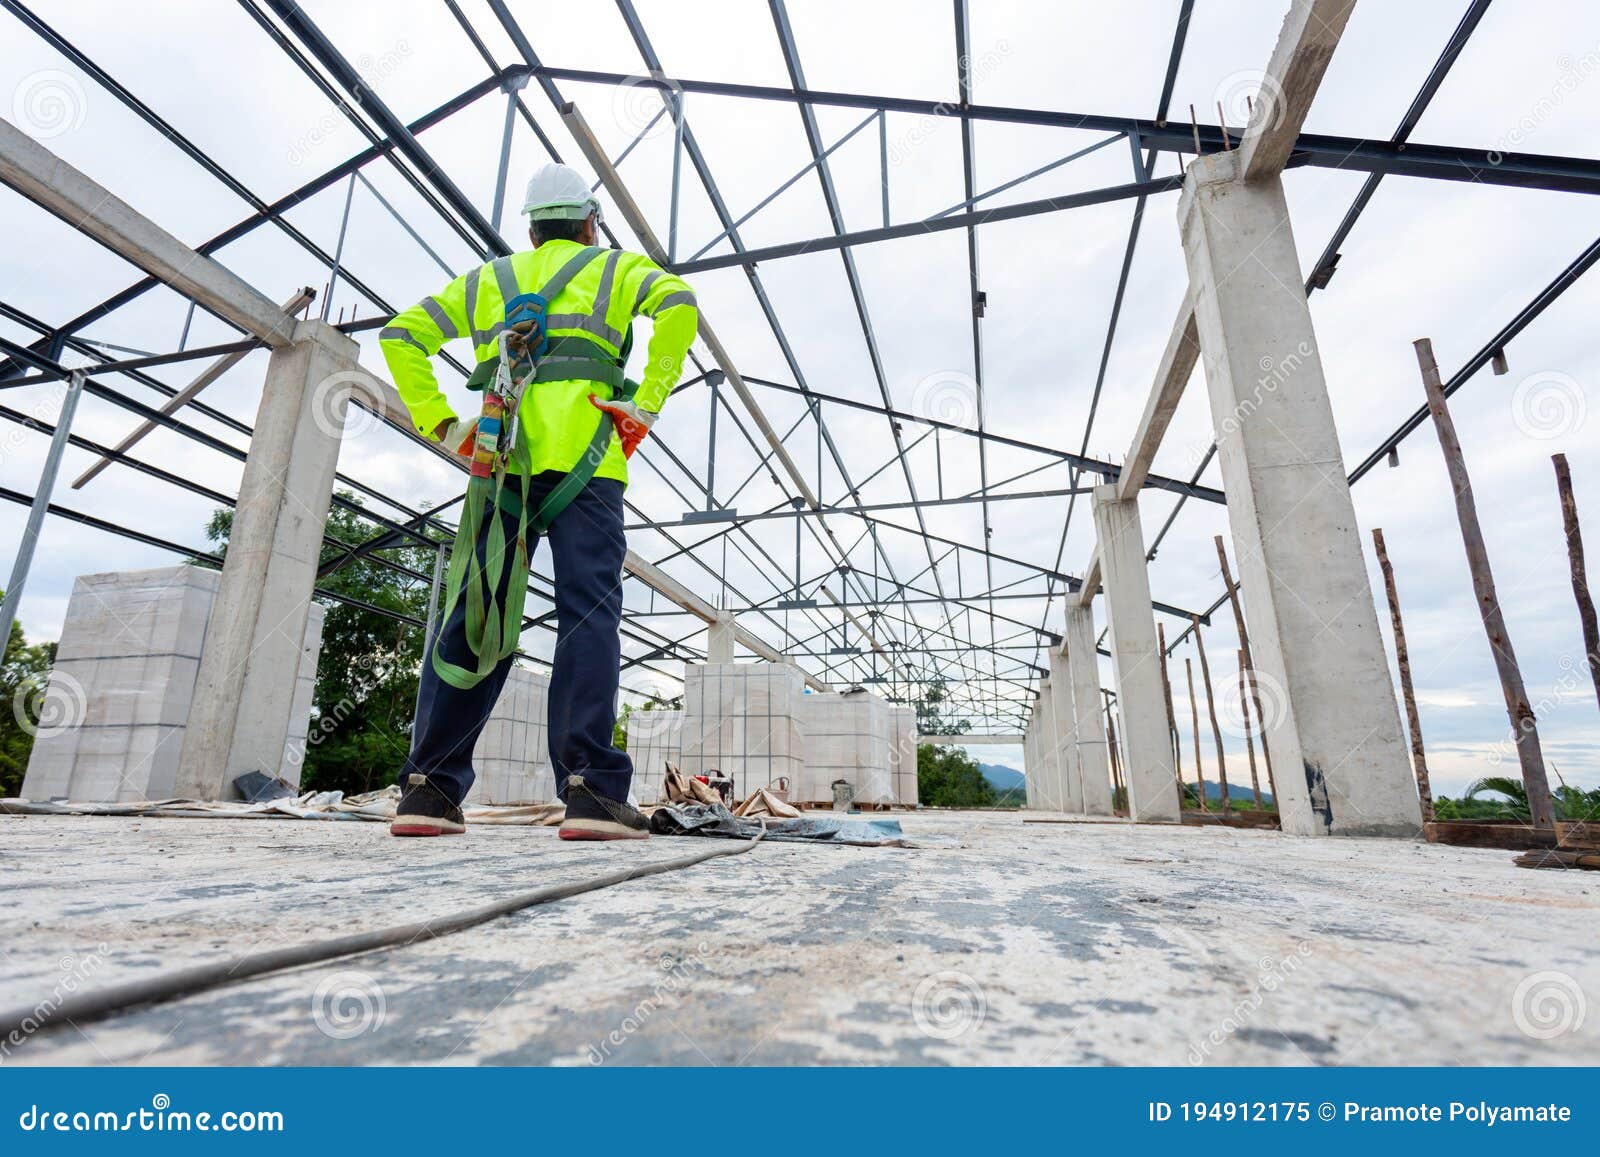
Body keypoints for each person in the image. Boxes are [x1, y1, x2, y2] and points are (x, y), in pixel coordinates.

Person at [378, 163, 697, 840]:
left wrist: (443, 424)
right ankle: (590, 792)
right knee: (588, 616)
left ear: (530, 228)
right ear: (590, 222)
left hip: (502, 466)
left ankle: (428, 789)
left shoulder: (490, 281)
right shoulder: (617, 270)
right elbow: (680, 306)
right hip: (589, 467)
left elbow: (401, 334)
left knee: (476, 610)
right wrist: (644, 403)